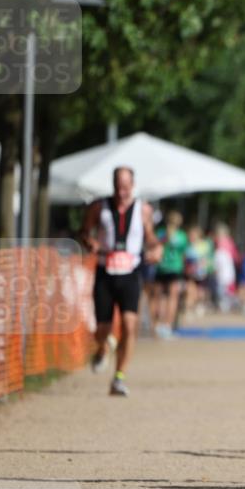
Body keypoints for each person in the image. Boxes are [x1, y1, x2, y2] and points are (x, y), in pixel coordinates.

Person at [80, 166, 162, 396]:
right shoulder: (99, 207)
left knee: (129, 324)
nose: (122, 192)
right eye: (118, 186)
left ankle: (119, 378)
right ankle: (103, 347)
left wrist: (156, 249)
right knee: (101, 329)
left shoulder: (143, 210)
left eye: (126, 187)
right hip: (106, 271)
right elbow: (84, 231)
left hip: (131, 272)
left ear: (133, 186)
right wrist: (90, 242)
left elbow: (151, 238)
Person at [152, 210, 188, 338]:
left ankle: (156, 325)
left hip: (161, 268)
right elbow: (184, 255)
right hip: (175, 269)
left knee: (158, 298)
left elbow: (154, 248)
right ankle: (167, 326)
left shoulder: (160, 233)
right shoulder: (182, 236)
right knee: (172, 298)